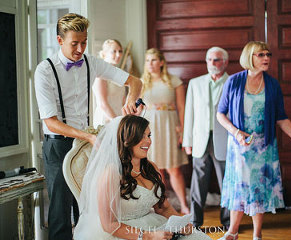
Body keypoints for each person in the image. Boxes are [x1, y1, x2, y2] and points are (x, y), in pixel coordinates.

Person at [33, 13, 143, 239]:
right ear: (59, 40)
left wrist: (131, 99)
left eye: (84, 42)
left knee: (87, 207)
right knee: (60, 213)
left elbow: (135, 81)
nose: (80, 49)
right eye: (75, 43)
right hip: (58, 147)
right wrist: (91, 137)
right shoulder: (44, 71)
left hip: (86, 145)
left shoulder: (91, 62)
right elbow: (51, 122)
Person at [216, 41, 291, 240]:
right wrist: (236, 132)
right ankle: (232, 232)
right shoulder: (233, 82)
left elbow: (281, 117)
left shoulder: (273, 84)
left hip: (264, 146)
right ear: (249, 57)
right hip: (239, 146)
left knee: (259, 189)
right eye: (261, 55)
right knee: (239, 188)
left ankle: (257, 235)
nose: (266, 58)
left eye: (268, 54)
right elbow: (220, 114)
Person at [74, 115, 211, 240]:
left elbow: (163, 208)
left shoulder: (151, 168)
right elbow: (109, 224)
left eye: (149, 135)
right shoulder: (112, 173)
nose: (148, 141)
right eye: (142, 136)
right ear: (128, 139)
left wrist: (182, 224)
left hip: (153, 223)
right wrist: (148, 236)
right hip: (125, 233)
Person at [183, 46, 231, 228]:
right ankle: (195, 221)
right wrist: (188, 141)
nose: (212, 63)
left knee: (226, 182)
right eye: (209, 59)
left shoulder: (233, 82)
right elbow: (189, 114)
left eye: (217, 59)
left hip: (225, 140)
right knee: (198, 183)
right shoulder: (195, 83)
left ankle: (228, 222)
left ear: (225, 62)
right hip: (199, 140)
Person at [140, 48, 190, 214]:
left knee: (174, 168)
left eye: (154, 60)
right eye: (147, 60)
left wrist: (182, 129)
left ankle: (183, 204)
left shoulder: (173, 81)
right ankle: (162, 204)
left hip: (169, 125)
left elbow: (182, 107)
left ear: (161, 62)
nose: (150, 64)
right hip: (150, 126)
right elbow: (137, 107)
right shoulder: (141, 82)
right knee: (155, 169)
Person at [93, 39, 127, 127]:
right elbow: (102, 104)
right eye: (114, 51)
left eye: (120, 51)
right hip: (106, 119)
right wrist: (116, 122)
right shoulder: (100, 74)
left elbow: (123, 100)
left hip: (119, 117)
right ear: (104, 54)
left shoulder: (120, 74)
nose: (118, 55)